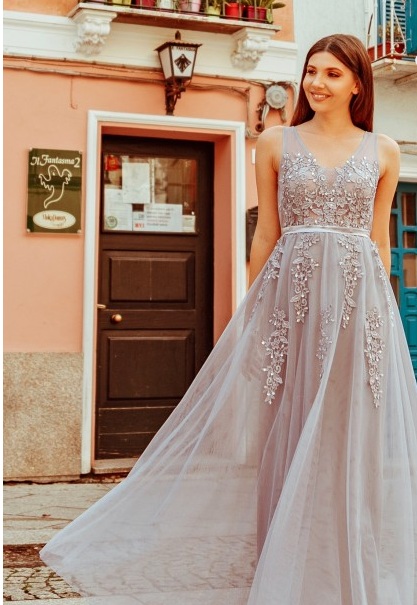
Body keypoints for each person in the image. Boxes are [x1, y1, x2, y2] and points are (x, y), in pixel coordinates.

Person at [40, 34, 417, 604]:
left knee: (350, 445)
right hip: (289, 309)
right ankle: (284, 576)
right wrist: (251, 321)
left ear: (358, 83)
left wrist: (379, 326)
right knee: (284, 440)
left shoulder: (384, 150)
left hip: (356, 317)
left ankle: (343, 578)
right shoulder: (275, 142)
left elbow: (379, 245)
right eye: (311, 71)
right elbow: (266, 233)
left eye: (332, 74)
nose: (316, 83)